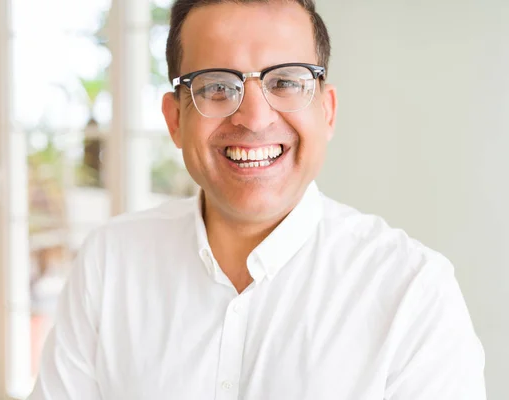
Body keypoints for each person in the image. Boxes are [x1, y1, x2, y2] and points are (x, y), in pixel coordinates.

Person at [28, 0, 486, 399]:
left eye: (286, 82)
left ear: (326, 111)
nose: (253, 117)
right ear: (174, 120)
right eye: (216, 86)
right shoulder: (111, 262)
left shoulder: (414, 292)